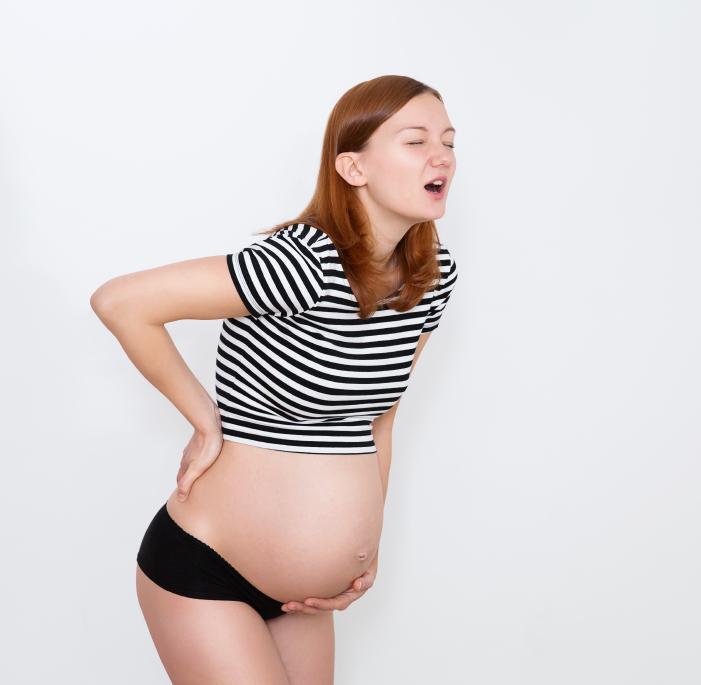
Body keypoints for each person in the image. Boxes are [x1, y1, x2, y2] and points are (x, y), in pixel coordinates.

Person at [90, 74, 458, 685]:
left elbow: (379, 420)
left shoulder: (431, 275)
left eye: (448, 141)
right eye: (415, 141)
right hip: (207, 572)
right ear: (353, 167)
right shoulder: (303, 262)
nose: (441, 155)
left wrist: (366, 547)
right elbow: (121, 302)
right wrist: (205, 420)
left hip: (304, 599)